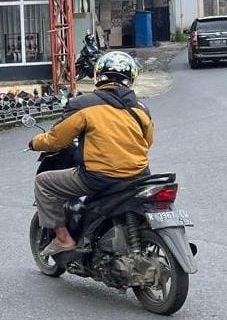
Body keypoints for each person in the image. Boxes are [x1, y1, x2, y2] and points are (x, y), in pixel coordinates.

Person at [29, 51, 153, 257]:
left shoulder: (84, 104)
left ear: (98, 75)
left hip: (99, 178)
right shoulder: (140, 108)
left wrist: (35, 142)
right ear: (131, 78)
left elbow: (57, 140)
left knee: (44, 182)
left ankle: (63, 238)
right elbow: (147, 141)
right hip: (140, 176)